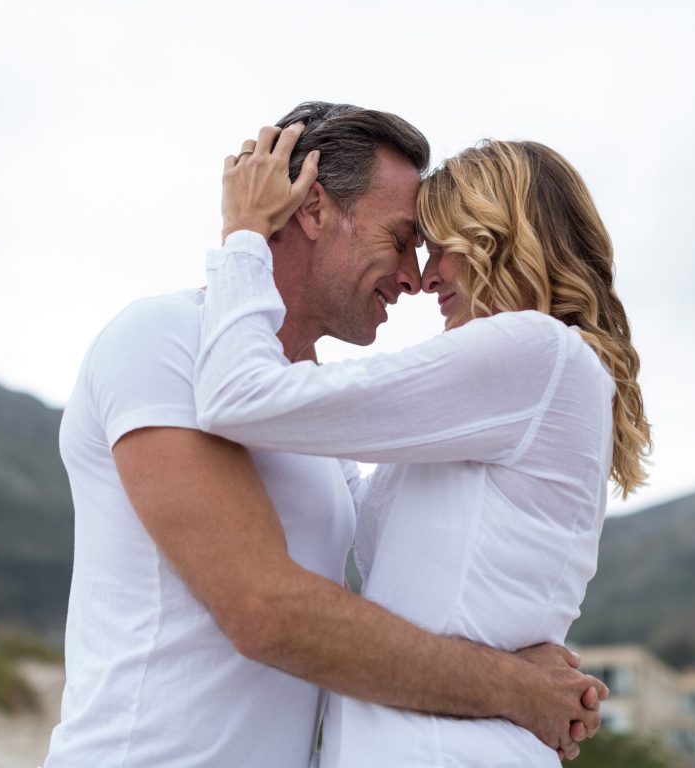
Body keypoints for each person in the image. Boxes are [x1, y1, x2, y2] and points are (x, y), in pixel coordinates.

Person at [43, 103, 604, 768]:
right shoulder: (163, 339)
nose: (412, 276)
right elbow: (267, 611)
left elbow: (423, 563)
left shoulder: (311, 422)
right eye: (399, 238)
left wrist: (524, 641)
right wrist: (516, 686)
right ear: (313, 210)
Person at [192, 118, 651, 767]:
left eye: (441, 246)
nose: (427, 276)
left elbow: (236, 399)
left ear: (501, 236)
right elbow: (339, 483)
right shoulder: (537, 381)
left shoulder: (536, 351)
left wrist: (244, 238)